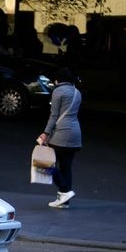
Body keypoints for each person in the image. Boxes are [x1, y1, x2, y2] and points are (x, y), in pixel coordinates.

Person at [37, 68, 82, 209]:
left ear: (58, 80)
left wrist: (45, 133)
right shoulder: (77, 92)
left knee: (44, 163)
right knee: (66, 167)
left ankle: (65, 191)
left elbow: (54, 115)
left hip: (61, 133)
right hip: (75, 133)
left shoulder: (58, 91)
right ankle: (64, 201)